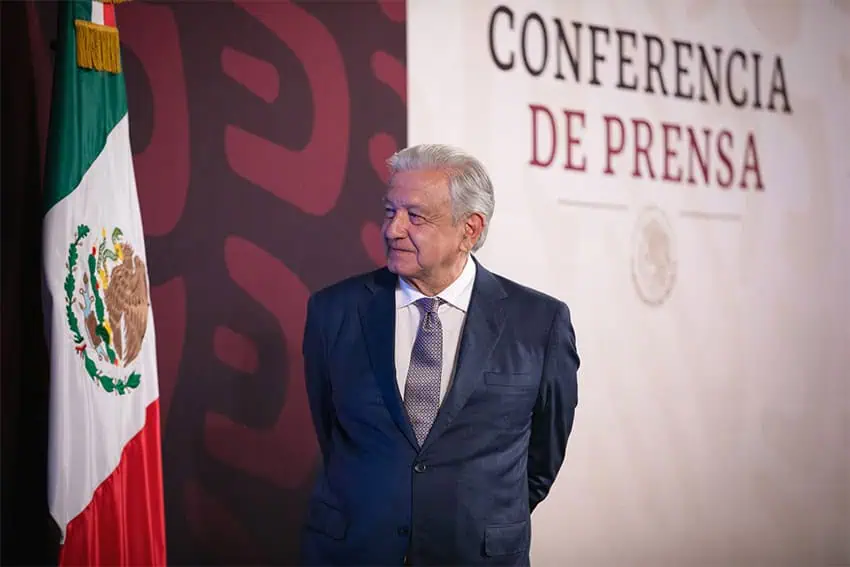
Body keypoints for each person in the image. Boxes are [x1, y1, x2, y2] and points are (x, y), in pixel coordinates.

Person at [300, 144, 580, 566]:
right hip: (354, 550)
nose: (392, 230)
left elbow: (542, 456)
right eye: (389, 211)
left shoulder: (540, 323)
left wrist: (477, 515)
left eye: (415, 217)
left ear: (469, 229)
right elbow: (331, 431)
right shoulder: (333, 311)